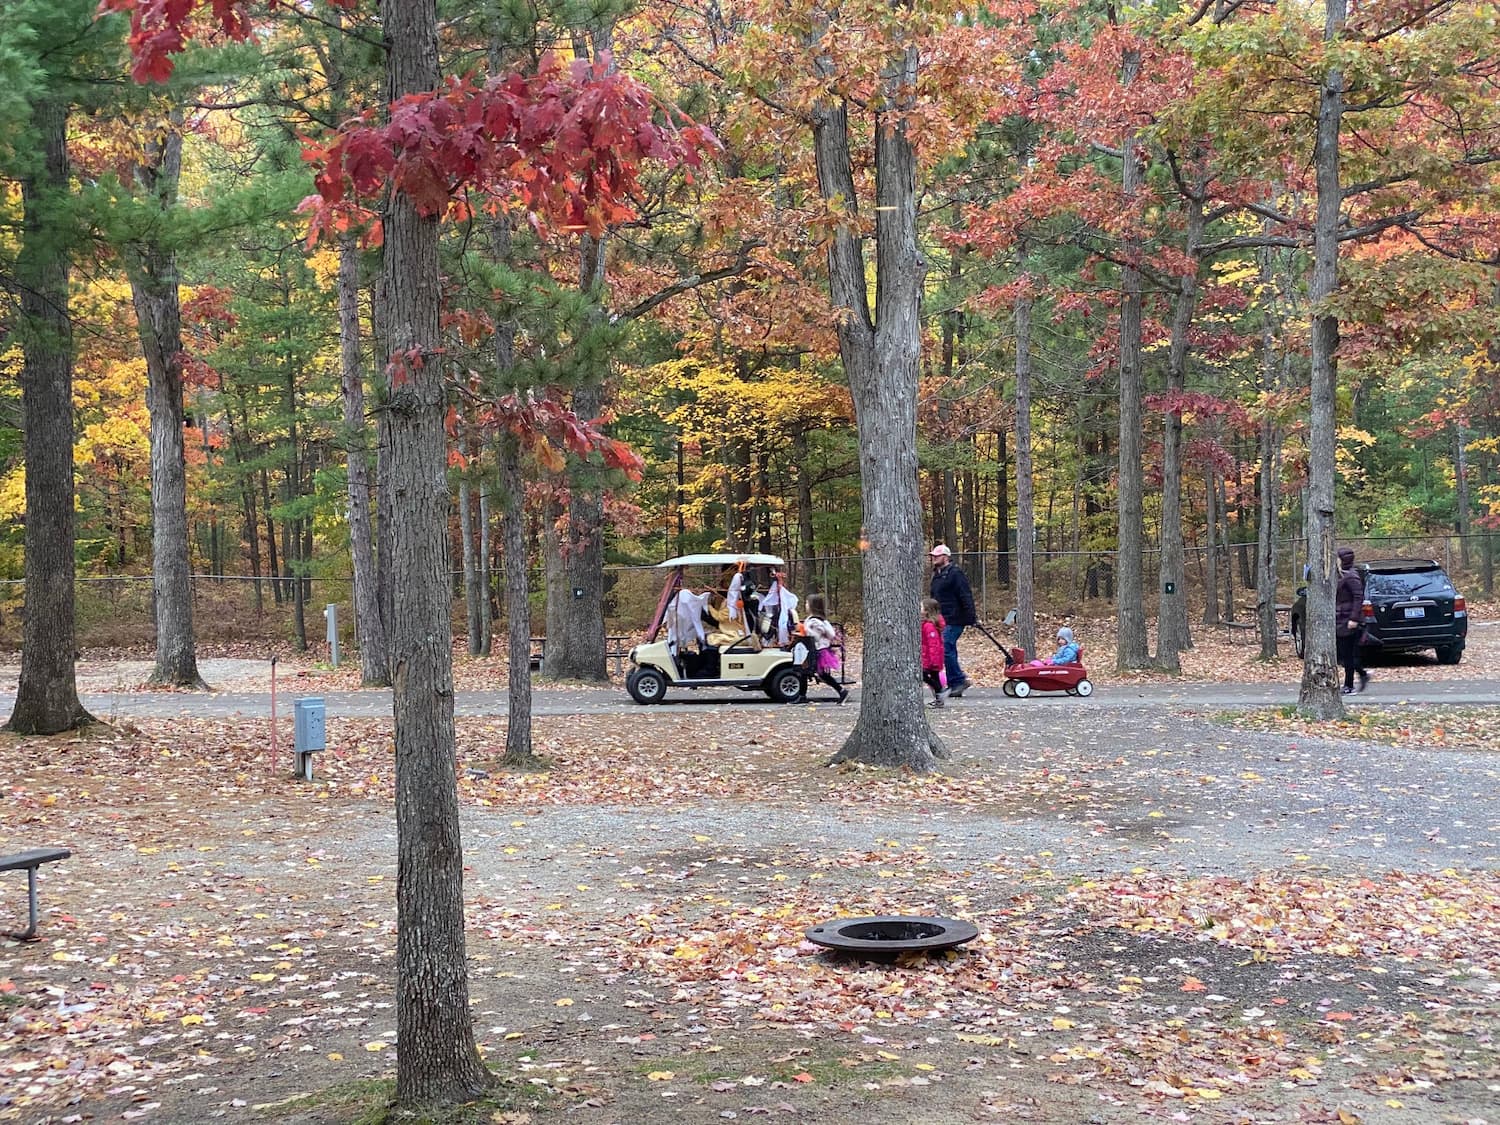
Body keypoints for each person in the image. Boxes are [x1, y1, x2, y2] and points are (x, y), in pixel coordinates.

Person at [929, 544, 976, 696]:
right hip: (942, 619)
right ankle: (955, 683)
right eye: (933, 556)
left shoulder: (955, 573)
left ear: (946, 557)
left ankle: (958, 681)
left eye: (937, 556)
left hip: (956, 618)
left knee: (946, 647)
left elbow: (965, 594)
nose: (934, 558)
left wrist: (971, 616)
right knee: (947, 649)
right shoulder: (937, 575)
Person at [801, 594, 848, 703]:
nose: (805, 605)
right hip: (819, 650)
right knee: (817, 673)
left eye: (807, 603)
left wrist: (805, 631)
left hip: (818, 651)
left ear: (813, 606)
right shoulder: (819, 620)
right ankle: (841, 691)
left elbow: (815, 636)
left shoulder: (815, 622)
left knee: (808, 671)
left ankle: (802, 696)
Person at [1336, 547, 1369, 694]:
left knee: (1348, 654)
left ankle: (1349, 685)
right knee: (1343, 654)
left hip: (1348, 619)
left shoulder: (1351, 576)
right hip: (1340, 618)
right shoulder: (1340, 575)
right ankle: (1362, 674)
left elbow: (1358, 597)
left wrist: (1354, 618)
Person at [920, 597, 949, 707]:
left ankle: (941, 691)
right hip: (929, 657)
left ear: (927, 611)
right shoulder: (926, 624)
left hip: (931, 658)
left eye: (921, 608)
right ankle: (939, 699)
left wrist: (933, 660)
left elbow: (933, 644)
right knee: (935, 677)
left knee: (923, 675)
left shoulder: (929, 626)